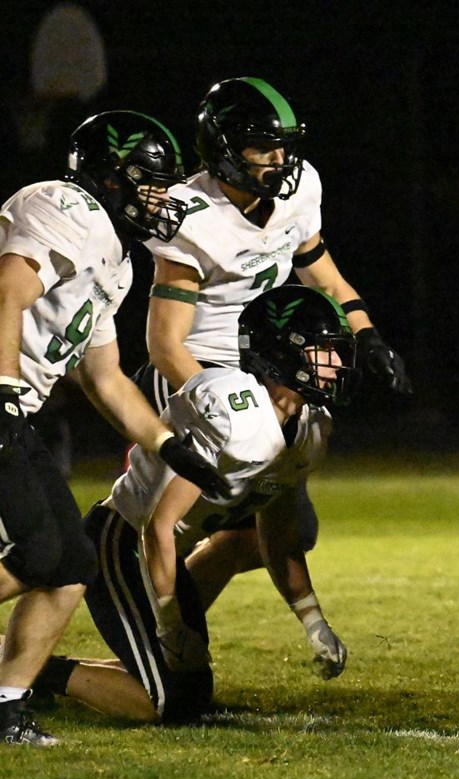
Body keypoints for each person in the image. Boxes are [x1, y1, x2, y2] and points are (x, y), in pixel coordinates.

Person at [140, 77, 411, 640]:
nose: (280, 160)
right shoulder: (191, 214)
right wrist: (220, 406)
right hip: (199, 371)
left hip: (264, 370)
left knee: (283, 528)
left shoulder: (298, 189)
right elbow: (165, 343)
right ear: (224, 149)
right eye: (263, 147)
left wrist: (368, 336)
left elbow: (323, 274)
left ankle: (166, 628)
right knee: (177, 521)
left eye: (283, 145)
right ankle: (130, 606)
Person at [0, 111, 227, 744]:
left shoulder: (117, 260)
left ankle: (5, 705)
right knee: (40, 553)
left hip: (17, 409)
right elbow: (8, 291)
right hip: (3, 401)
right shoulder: (65, 206)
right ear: (109, 177)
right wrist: (2, 389)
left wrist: (170, 447)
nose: (163, 198)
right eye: (152, 182)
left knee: (71, 563)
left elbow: (104, 378)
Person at [31, 285, 354, 723]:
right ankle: (30, 669)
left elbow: (278, 537)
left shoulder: (312, 428)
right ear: (283, 352)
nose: (337, 362)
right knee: (168, 703)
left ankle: (39, 667)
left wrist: (314, 622)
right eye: (324, 349)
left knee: (190, 692)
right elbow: (158, 525)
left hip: (160, 556)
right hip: (123, 544)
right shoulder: (232, 411)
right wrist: (170, 624)